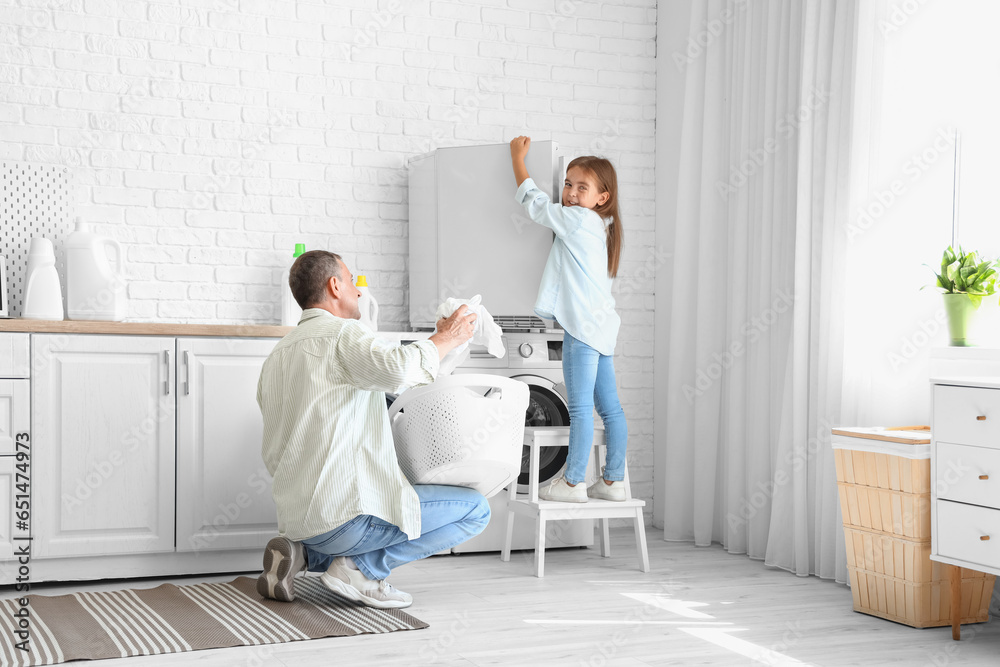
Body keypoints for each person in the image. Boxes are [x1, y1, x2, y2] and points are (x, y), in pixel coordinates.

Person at [256, 250, 487, 609]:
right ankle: (358, 569)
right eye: (351, 280)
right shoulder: (343, 334)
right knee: (476, 510)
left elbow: (384, 375)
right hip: (344, 520)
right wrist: (447, 337)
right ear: (335, 285)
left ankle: (302, 555)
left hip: (297, 517)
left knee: (345, 510)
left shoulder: (279, 353)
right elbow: (398, 369)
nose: (359, 292)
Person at [509, 135, 628, 503]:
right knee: (610, 410)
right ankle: (613, 481)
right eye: (568, 184)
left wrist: (517, 160)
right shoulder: (604, 229)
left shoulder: (577, 220)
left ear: (601, 197)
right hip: (603, 329)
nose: (572, 193)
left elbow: (536, 205)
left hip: (580, 329)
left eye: (582, 187)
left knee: (578, 410)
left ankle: (574, 483)